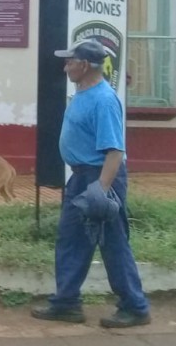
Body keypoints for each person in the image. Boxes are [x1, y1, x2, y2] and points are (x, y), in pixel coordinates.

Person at [31, 40, 151, 329]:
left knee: (113, 243)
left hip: (101, 177)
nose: (65, 67)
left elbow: (115, 151)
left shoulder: (103, 100)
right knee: (71, 239)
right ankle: (66, 303)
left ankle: (135, 307)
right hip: (81, 176)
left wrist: (101, 188)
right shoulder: (83, 93)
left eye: (69, 61)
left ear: (84, 65)